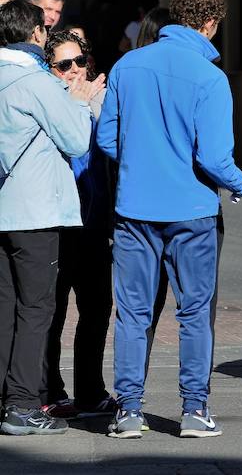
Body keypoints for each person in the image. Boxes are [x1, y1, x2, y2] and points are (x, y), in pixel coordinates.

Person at [97, 0, 242, 439]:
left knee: (132, 313)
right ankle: (193, 410)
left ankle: (128, 410)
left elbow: (108, 138)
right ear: (210, 24)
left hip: (134, 210)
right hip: (192, 212)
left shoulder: (128, 65)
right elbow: (213, 158)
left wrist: (142, 159)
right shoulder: (210, 78)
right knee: (195, 311)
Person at [0, 0, 103, 435]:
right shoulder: (34, 80)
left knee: (5, 307)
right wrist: (80, 102)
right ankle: (22, 404)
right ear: (37, 34)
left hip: (5, 207)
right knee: (36, 309)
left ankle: (5, 399)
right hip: (36, 210)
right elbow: (78, 141)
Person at [40, 30, 115, 420]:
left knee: (97, 307)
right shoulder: (46, 99)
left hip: (93, 223)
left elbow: (112, 141)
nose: (74, 71)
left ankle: (90, 390)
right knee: (51, 312)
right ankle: (49, 390)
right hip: (54, 224)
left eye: (80, 62)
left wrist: (93, 103)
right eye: (64, 64)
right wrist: (72, 105)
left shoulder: (99, 97)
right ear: (49, 69)